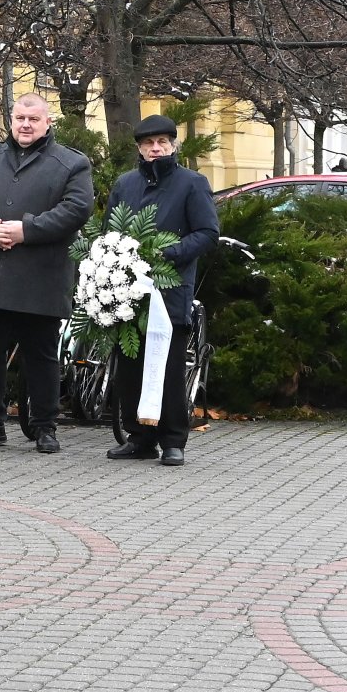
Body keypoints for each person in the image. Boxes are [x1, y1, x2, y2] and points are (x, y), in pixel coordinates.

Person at [0, 92, 94, 453]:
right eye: (19, 118)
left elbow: (76, 209)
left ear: (48, 122)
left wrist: (24, 230)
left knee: (42, 357)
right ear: (11, 120)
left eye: (33, 118)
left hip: (40, 277)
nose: (26, 124)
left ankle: (45, 426)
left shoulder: (71, 163)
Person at [104, 115, 219, 466]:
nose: (156, 149)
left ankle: (172, 440)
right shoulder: (125, 184)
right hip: (127, 294)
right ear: (139, 148)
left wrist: (167, 255)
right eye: (148, 144)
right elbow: (110, 231)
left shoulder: (191, 183)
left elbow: (207, 232)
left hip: (170, 292)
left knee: (167, 370)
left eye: (163, 143)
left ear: (173, 145)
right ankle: (138, 438)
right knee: (129, 367)